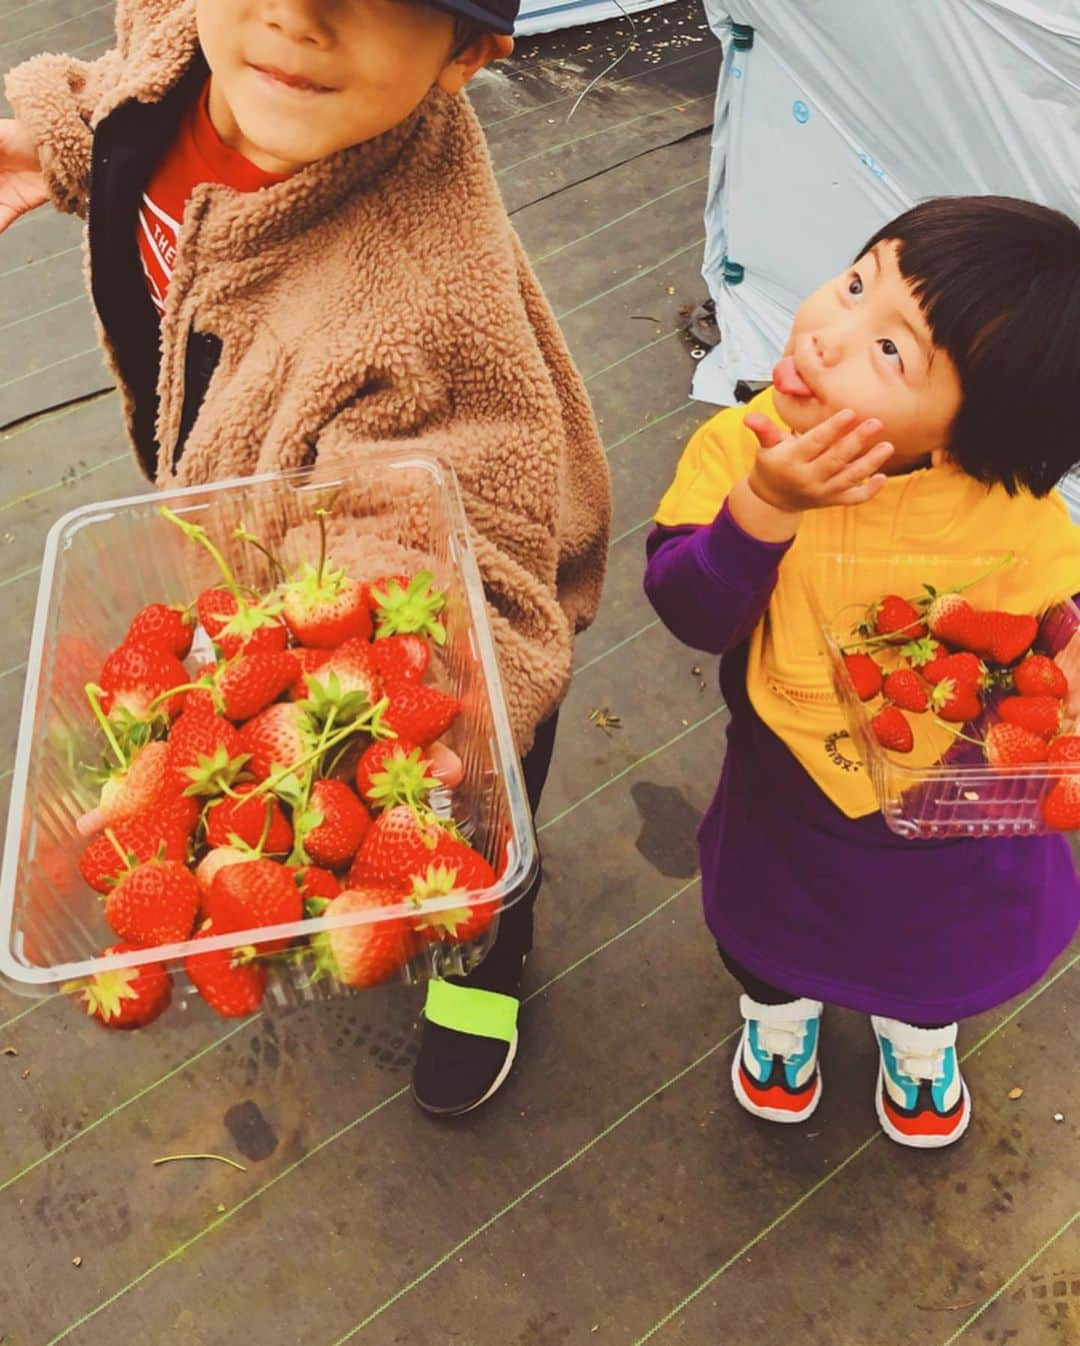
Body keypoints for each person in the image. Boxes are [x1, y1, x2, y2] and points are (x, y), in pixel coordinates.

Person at [0, 0, 611, 1116]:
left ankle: (487, 967)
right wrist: (54, 140)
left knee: (469, 820)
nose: (297, 15)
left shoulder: (427, 291)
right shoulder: (198, 40)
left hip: (444, 626)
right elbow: (134, 93)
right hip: (254, 515)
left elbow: (431, 519)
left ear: (467, 53)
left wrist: (366, 647)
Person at [644, 196, 1080, 1149]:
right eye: (854, 284)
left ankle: (919, 1039)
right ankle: (778, 1019)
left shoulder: (1018, 521)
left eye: (893, 352)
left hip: (951, 826)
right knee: (766, 940)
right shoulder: (744, 447)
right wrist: (765, 504)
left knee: (933, 968)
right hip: (785, 792)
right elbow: (691, 611)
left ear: (981, 431)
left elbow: (1056, 643)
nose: (830, 333)